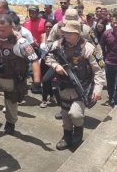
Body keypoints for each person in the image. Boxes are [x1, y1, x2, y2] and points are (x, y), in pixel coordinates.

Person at [45, 20, 105, 150]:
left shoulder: (88, 48)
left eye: (69, 33)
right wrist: (56, 66)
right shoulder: (58, 44)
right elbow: (48, 57)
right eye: (65, 32)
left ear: (77, 33)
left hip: (82, 87)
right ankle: (66, 136)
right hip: (64, 86)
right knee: (65, 114)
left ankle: (78, 130)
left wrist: (98, 88)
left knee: (75, 114)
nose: (66, 35)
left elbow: (99, 71)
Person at [0, 14, 40, 135]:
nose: (0, 32)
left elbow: (34, 60)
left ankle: (10, 124)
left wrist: (37, 82)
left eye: (3, 30)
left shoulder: (21, 43)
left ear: (11, 27)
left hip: (13, 80)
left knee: (11, 104)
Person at [100, 12, 117, 107]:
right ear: (111, 23)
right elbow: (100, 47)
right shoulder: (106, 33)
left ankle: (115, 100)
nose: (116, 25)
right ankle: (111, 99)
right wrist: (102, 60)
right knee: (110, 85)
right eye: (114, 22)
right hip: (109, 63)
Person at [39, 19, 56, 108]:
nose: (48, 28)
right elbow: (41, 48)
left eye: (50, 27)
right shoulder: (42, 36)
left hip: (52, 62)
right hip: (43, 61)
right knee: (46, 81)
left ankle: (44, 99)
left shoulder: (56, 37)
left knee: (46, 80)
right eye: (47, 27)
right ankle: (52, 96)